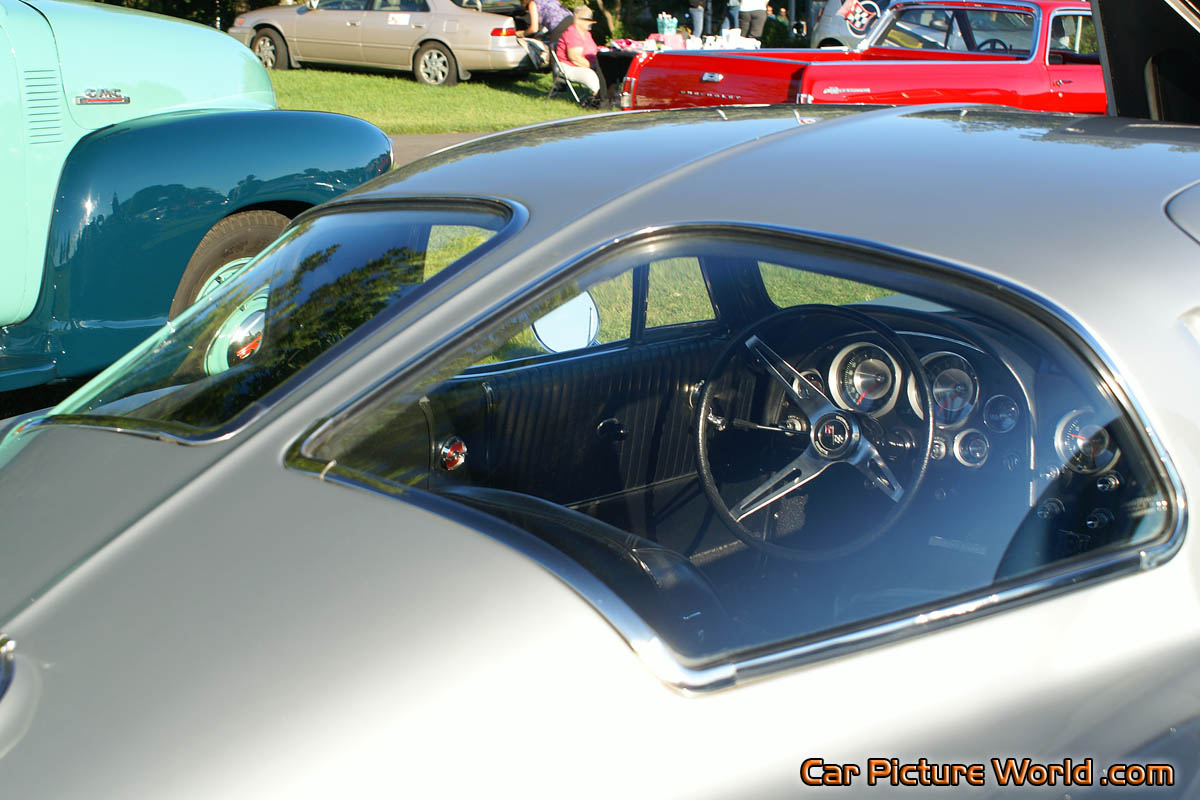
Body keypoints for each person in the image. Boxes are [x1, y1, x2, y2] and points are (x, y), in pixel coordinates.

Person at [556, 6, 608, 105]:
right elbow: (575, 58)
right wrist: (593, 67)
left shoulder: (586, 34)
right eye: (588, 20)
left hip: (585, 65)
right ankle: (597, 99)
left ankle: (608, 97)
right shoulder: (573, 33)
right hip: (568, 66)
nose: (591, 22)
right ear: (579, 20)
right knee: (592, 75)